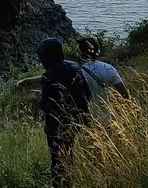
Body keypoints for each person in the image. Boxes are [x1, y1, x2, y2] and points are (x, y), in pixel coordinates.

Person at [37, 38, 90, 188]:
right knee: (70, 153)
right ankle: (73, 180)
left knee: (57, 159)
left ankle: (62, 184)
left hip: (58, 123)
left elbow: (47, 104)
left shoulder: (50, 75)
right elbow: (86, 92)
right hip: (78, 118)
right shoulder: (74, 66)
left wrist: (40, 100)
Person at [77, 37, 129, 121]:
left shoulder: (76, 72)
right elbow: (125, 95)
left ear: (79, 53)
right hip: (106, 119)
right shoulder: (107, 68)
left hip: (85, 121)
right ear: (98, 50)